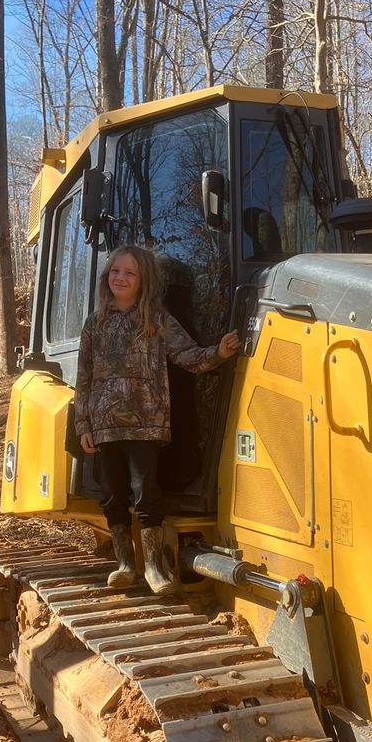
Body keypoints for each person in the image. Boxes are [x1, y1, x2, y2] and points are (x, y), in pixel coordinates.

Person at [73, 245, 240, 594]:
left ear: (143, 280)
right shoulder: (94, 323)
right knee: (113, 495)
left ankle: (153, 566)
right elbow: (84, 378)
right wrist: (82, 425)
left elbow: (187, 355)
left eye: (129, 273)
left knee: (146, 493)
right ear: (107, 277)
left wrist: (219, 353)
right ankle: (124, 563)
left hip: (146, 422)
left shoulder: (156, 319)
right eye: (115, 271)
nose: (121, 277)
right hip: (104, 425)